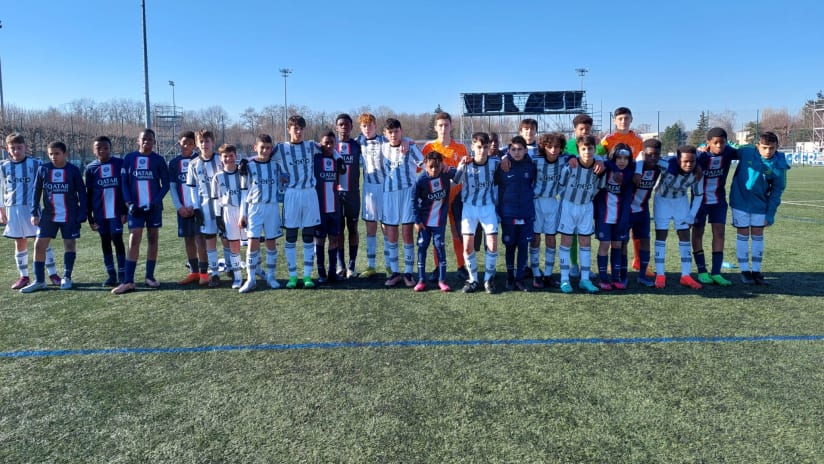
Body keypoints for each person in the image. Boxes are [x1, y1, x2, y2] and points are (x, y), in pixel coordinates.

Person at [20, 141, 86, 292]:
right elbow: (36, 192)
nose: (53, 157)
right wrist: (34, 212)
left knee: (69, 244)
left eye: (57, 153)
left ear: (65, 154)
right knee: (39, 245)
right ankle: (40, 281)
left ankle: (67, 277)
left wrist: (83, 212)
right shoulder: (43, 168)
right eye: (50, 154)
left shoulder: (73, 170)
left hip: (70, 215)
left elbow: (82, 193)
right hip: (49, 215)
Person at [636, 145, 704, 289]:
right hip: (662, 201)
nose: (689, 164)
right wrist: (637, 171)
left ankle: (686, 275)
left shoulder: (698, 172)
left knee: (685, 236)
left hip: (681, 202)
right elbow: (642, 158)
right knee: (661, 236)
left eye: (692, 161)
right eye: (685, 161)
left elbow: (698, 194)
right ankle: (660, 274)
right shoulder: (666, 164)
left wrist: (692, 215)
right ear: (678, 159)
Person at [112, 129, 170, 294]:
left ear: (154, 142)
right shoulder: (129, 159)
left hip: (154, 208)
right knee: (134, 239)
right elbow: (123, 182)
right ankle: (129, 281)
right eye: (144, 139)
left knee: (153, 239)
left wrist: (156, 202)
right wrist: (129, 203)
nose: (146, 142)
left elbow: (165, 184)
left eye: (150, 140)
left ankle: (149, 277)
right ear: (138, 140)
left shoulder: (158, 160)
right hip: (135, 208)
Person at [1, 133, 61, 289]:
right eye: (12, 148)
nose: (16, 151)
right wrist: (1, 211)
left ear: (26, 148)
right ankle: (24, 276)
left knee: (41, 240)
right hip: (12, 209)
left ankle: (52, 273)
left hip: (31, 208)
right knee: (19, 242)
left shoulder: (36, 163)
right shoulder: (3, 166)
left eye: (19, 147)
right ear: (7, 149)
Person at [729, 131, 788, 285]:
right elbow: (728, 145)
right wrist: (705, 146)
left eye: (772, 148)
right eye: (764, 147)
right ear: (757, 146)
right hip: (740, 201)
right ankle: (745, 271)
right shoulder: (747, 151)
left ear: (777, 147)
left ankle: (756, 271)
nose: (768, 151)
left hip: (760, 205)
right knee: (742, 234)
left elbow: (777, 191)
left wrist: (770, 214)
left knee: (757, 235)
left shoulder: (778, 165)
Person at [276, 115, 323, 289]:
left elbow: (328, 148)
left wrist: (338, 157)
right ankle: (293, 276)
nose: (298, 132)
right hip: (292, 195)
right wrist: (244, 161)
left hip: (310, 194)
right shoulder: (281, 148)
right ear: (289, 130)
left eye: (301, 128)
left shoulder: (311, 146)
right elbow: (262, 156)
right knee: (291, 235)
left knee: (309, 235)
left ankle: (307, 276)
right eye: (295, 128)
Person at [422, 112, 469, 282]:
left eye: (446, 125)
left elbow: (465, 174)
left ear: (451, 126)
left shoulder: (461, 148)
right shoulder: (428, 148)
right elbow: (421, 172)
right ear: (435, 127)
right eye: (440, 125)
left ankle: (461, 266)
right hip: (437, 199)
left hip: (456, 197)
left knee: (458, 234)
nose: (443, 128)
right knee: (437, 236)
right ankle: (436, 268)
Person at [600, 107, 645, 277]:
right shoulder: (608, 139)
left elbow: (640, 158)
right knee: (613, 224)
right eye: (620, 118)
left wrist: (637, 172)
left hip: (630, 185)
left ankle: (637, 261)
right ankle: (614, 266)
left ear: (631, 119)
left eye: (626, 118)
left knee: (630, 224)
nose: (623, 121)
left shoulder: (637, 139)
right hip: (610, 189)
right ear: (614, 120)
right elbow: (601, 158)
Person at [557, 135, 605, 294]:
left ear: (594, 149)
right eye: (583, 149)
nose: (587, 152)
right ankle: (564, 279)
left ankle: (585, 279)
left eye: (590, 148)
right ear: (578, 151)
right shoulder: (571, 166)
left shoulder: (599, 168)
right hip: (568, 206)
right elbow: (561, 184)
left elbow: (599, 187)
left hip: (586, 207)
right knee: (566, 241)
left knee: (585, 242)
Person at [692, 127, 738, 286]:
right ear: (708, 143)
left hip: (718, 201)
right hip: (699, 202)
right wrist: (697, 152)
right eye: (716, 143)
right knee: (698, 233)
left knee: (719, 233)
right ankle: (702, 270)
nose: (719, 146)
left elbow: (745, 151)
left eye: (722, 142)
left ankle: (716, 272)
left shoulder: (729, 152)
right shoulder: (700, 156)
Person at [454, 132, 499, 294]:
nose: (482, 150)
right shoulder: (466, 163)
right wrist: (460, 164)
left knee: (493, 243)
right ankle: (473, 279)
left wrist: (507, 159)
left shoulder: (495, 162)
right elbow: (455, 182)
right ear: (472, 147)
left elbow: (508, 159)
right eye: (479, 147)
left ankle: (488, 279)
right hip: (469, 208)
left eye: (485, 147)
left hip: (488, 207)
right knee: (467, 246)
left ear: (489, 147)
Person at [237, 134, 283, 293]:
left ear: (271, 149)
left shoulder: (276, 165)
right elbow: (243, 191)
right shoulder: (248, 166)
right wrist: (242, 214)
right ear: (255, 147)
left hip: (271, 207)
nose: (265, 150)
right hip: (254, 208)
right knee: (252, 242)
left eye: (268, 148)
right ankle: (251, 279)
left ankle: (271, 276)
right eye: (261, 147)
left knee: (271, 242)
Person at [381, 118, 423, 287]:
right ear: (385, 134)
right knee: (391, 234)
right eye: (390, 132)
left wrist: (407, 141)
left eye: (396, 131)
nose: (393, 135)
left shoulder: (410, 147)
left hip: (408, 193)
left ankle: (407, 272)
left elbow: (424, 164)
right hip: (389, 194)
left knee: (407, 233)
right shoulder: (382, 148)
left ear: (401, 131)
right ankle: (395, 272)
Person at [495, 136, 536, 292]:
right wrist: (502, 156)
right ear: (508, 150)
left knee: (523, 246)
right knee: (510, 246)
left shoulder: (531, 166)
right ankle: (510, 277)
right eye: (513, 149)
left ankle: (520, 279)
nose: (517, 152)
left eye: (520, 149)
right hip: (508, 214)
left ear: (525, 150)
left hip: (526, 213)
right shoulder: (503, 165)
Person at [85, 135, 127, 287]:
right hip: (100, 213)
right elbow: (88, 194)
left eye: (105, 147)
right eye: (99, 148)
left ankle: (123, 274)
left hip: (116, 212)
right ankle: (111, 275)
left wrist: (125, 210)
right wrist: (90, 217)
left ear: (110, 148)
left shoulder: (119, 164)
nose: (103, 150)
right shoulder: (90, 169)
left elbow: (124, 188)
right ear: (94, 150)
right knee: (105, 242)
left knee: (118, 240)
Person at [412, 151, 456, 292]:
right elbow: (413, 202)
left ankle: (442, 281)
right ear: (425, 165)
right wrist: (417, 221)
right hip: (424, 223)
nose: (434, 170)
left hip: (439, 222)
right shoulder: (420, 180)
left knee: (440, 248)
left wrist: (455, 165)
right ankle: (421, 280)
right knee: (422, 248)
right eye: (431, 167)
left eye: (437, 166)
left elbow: (459, 174)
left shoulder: (445, 173)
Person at [528, 132, 567, 289]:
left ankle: (548, 274)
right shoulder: (535, 159)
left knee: (551, 238)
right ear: (543, 147)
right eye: (549, 147)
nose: (553, 150)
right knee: (536, 238)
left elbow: (576, 158)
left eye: (557, 147)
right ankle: (536, 274)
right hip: (536, 202)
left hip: (552, 202)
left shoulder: (565, 159)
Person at [594, 143, 635, 290]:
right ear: (613, 158)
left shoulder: (631, 174)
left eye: (625, 158)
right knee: (604, 244)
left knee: (617, 245)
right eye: (619, 158)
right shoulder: (605, 168)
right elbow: (601, 162)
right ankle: (603, 278)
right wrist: (613, 168)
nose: (622, 161)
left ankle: (616, 278)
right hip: (604, 215)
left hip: (621, 216)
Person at [188, 130, 225, 287]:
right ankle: (215, 273)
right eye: (201, 141)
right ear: (197, 144)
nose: (204, 144)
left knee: (227, 238)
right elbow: (193, 188)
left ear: (213, 142)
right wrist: (196, 208)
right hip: (205, 207)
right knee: (210, 240)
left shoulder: (221, 159)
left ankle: (230, 267)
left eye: (207, 141)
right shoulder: (193, 164)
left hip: (224, 205)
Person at [356, 112, 390, 278]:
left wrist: (407, 141)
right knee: (370, 229)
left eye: (370, 125)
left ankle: (390, 266)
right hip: (368, 189)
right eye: (364, 126)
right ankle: (371, 266)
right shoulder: (358, 142)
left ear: (376, 126)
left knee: (386, 228)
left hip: (384, 189)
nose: (367, 128)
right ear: (360, 128)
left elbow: (401, 142)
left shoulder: (385, 141)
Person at [167, 131, 201, 285]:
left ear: (194, 145)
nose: (186, 146)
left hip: (199, 208)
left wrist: (196, 205)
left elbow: (203, 186)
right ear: (179, 142)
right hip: (183, 210)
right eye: (184, 143)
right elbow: (173, 187)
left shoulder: (199, 160)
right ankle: (193, 271)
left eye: (190, 143)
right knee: (188, 240)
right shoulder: (174, 163)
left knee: (200, 239)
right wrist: (179, 207)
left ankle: (205, 271)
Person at [627, 138, 662, 287]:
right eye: (649, 155)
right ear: (643, 154)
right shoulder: (633, 166)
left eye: (656, 155)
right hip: (627, 210)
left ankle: (642, 274)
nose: (652, 158)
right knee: (622, 242)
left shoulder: (659, 167)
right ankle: (621, 274)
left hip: (643, 210)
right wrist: (639, 166)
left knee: (645, 241)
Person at [211, 143, 245, 289]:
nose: (229, 159)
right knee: (234, 244)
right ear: (220, 158)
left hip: (245, 210)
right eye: (225, 156)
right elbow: (216, 199)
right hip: (228, 212)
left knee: (251, 243)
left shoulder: (243, 172)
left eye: (231, 156)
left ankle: (254, 270)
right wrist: (218, 217)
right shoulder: (218, 177)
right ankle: (237, 277)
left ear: (236, 156)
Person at [314, 131, 346, 283]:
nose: (328, 146)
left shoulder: (337, 160)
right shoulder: (315, 159)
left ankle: (332, 272)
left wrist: (339, 158)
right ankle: (321, 273)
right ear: (320, 143)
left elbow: (343, 172)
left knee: (334, 239)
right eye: (325, 142)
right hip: (319, 209)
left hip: (334, 208)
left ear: (335, 144)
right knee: (319, 240)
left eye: (331, 143)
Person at [333, 114, 362, 279]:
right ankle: (340, 265)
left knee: (353, 230)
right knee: (338, 231)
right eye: (341, 124)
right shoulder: (330, 145)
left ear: (351, 127)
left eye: (347, 125)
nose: (344, 127)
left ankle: (352, 265)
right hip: (335, 195)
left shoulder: (358, 145)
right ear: (337, 127)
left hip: (353, 195)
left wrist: (407, 140)